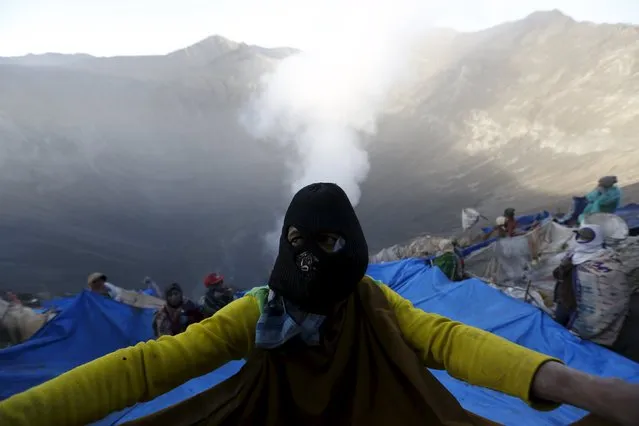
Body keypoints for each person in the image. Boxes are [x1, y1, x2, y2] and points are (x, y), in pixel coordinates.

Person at [1, 182, 638, 426]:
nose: (308, 260)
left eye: (326, 243)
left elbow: (449, 341)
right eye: (297, 243)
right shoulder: (256, 312)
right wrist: (23, 415)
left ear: (353, 250)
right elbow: (147, 368)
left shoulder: (375, 304)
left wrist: (576, 386)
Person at [553, 224, 636, 359]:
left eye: (583, 237)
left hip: (574, 307)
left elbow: (612, 296)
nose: (580, 239)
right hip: (568, 302)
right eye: (580, 235)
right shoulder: (574, 255)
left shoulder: (607, 264)